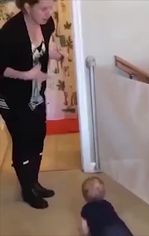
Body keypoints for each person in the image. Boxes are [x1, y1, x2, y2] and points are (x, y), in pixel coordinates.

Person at [0, 0, 63, 209]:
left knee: (38, 134)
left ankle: (34, 182)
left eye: (51, 7)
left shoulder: (47, 23)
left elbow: (40, 48)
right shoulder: (10, 33)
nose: (49, 12)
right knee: (23, 138)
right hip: (10, 96)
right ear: (27, 7)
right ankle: (27, 189)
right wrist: (26, 75)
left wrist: (51, 53)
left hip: (35, 94)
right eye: (43, 8)